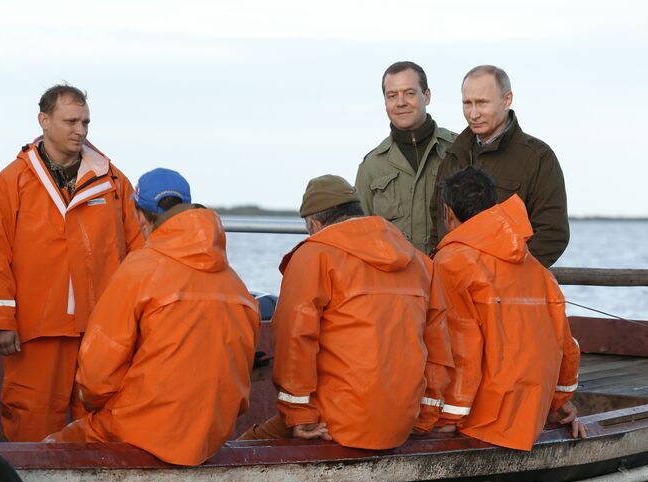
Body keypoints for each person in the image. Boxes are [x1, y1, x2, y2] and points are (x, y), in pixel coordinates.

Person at [46, 169, 260, 465]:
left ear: (140, 215)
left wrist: (91, 402)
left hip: (142, 430)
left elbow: (97, 377)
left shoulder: (140, 270)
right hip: (211, 435)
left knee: (52, 449)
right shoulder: (236, 285)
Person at [241, 174, 454, 450]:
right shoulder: (421, 263)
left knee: (247, 445)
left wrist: (299, 416)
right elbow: (438, 346)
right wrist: (424, 417)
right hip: (403, 421)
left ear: (315, 224)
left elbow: (295, 340)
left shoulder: (314, 256)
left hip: (339, 423)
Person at [0, 84, 144, 441]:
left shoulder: (113, 181)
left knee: (98, 415)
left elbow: (140, 252)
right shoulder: (12, 180)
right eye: (71, 121)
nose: (81, 130)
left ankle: (92, 481)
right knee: (30, 412)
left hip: (102, 325)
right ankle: (29, 481)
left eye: (85, 122)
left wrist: (141, 319)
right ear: (44, 120)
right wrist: (2, 320)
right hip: (38, 324)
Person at [432, 166, 584, 451]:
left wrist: (447, 418)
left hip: (484, 422)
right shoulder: (536, 268)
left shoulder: (450, 262)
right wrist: (558, 402)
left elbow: (461, 348)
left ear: (448, 212)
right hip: (531, 418)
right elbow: (566, 345)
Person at [430, 65, 569, 266]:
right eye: (467, 103)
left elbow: (552, 234)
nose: (473, 113)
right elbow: (436, 225)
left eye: (482, 103)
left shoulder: (538, 157)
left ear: (507, 100)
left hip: (507, 283)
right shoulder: (453, 156)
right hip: (453, 280)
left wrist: (502, 274)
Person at [355, 61, 456, 255]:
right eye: (392, 95)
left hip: (453, 271)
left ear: (427, 96)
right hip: (395, 274)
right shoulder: (371, 167)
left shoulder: (458, 150)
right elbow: (360, 238)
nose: (400, 102)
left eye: (409, 93)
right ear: (385, 102)